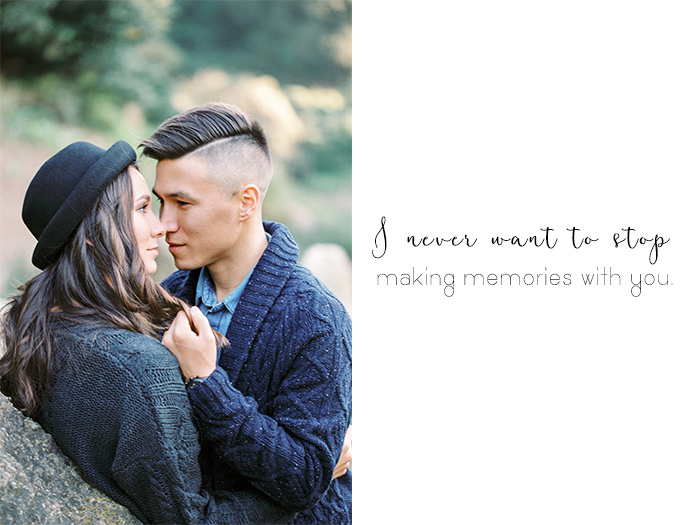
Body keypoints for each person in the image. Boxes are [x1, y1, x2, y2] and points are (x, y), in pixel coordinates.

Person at [0, 140, 295, 524]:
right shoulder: (144, 370)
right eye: (142, 209)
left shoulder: (39, 324)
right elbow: (192, 520)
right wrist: (297, 497)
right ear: (93, 232)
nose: (160, 227)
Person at [141, 102, 352, 523]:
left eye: (183, 203)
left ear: (247, 201)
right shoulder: (164, 300)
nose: (164, 223)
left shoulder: (316, 319)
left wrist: (205, 382)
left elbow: (308, 477)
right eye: (161, 201)